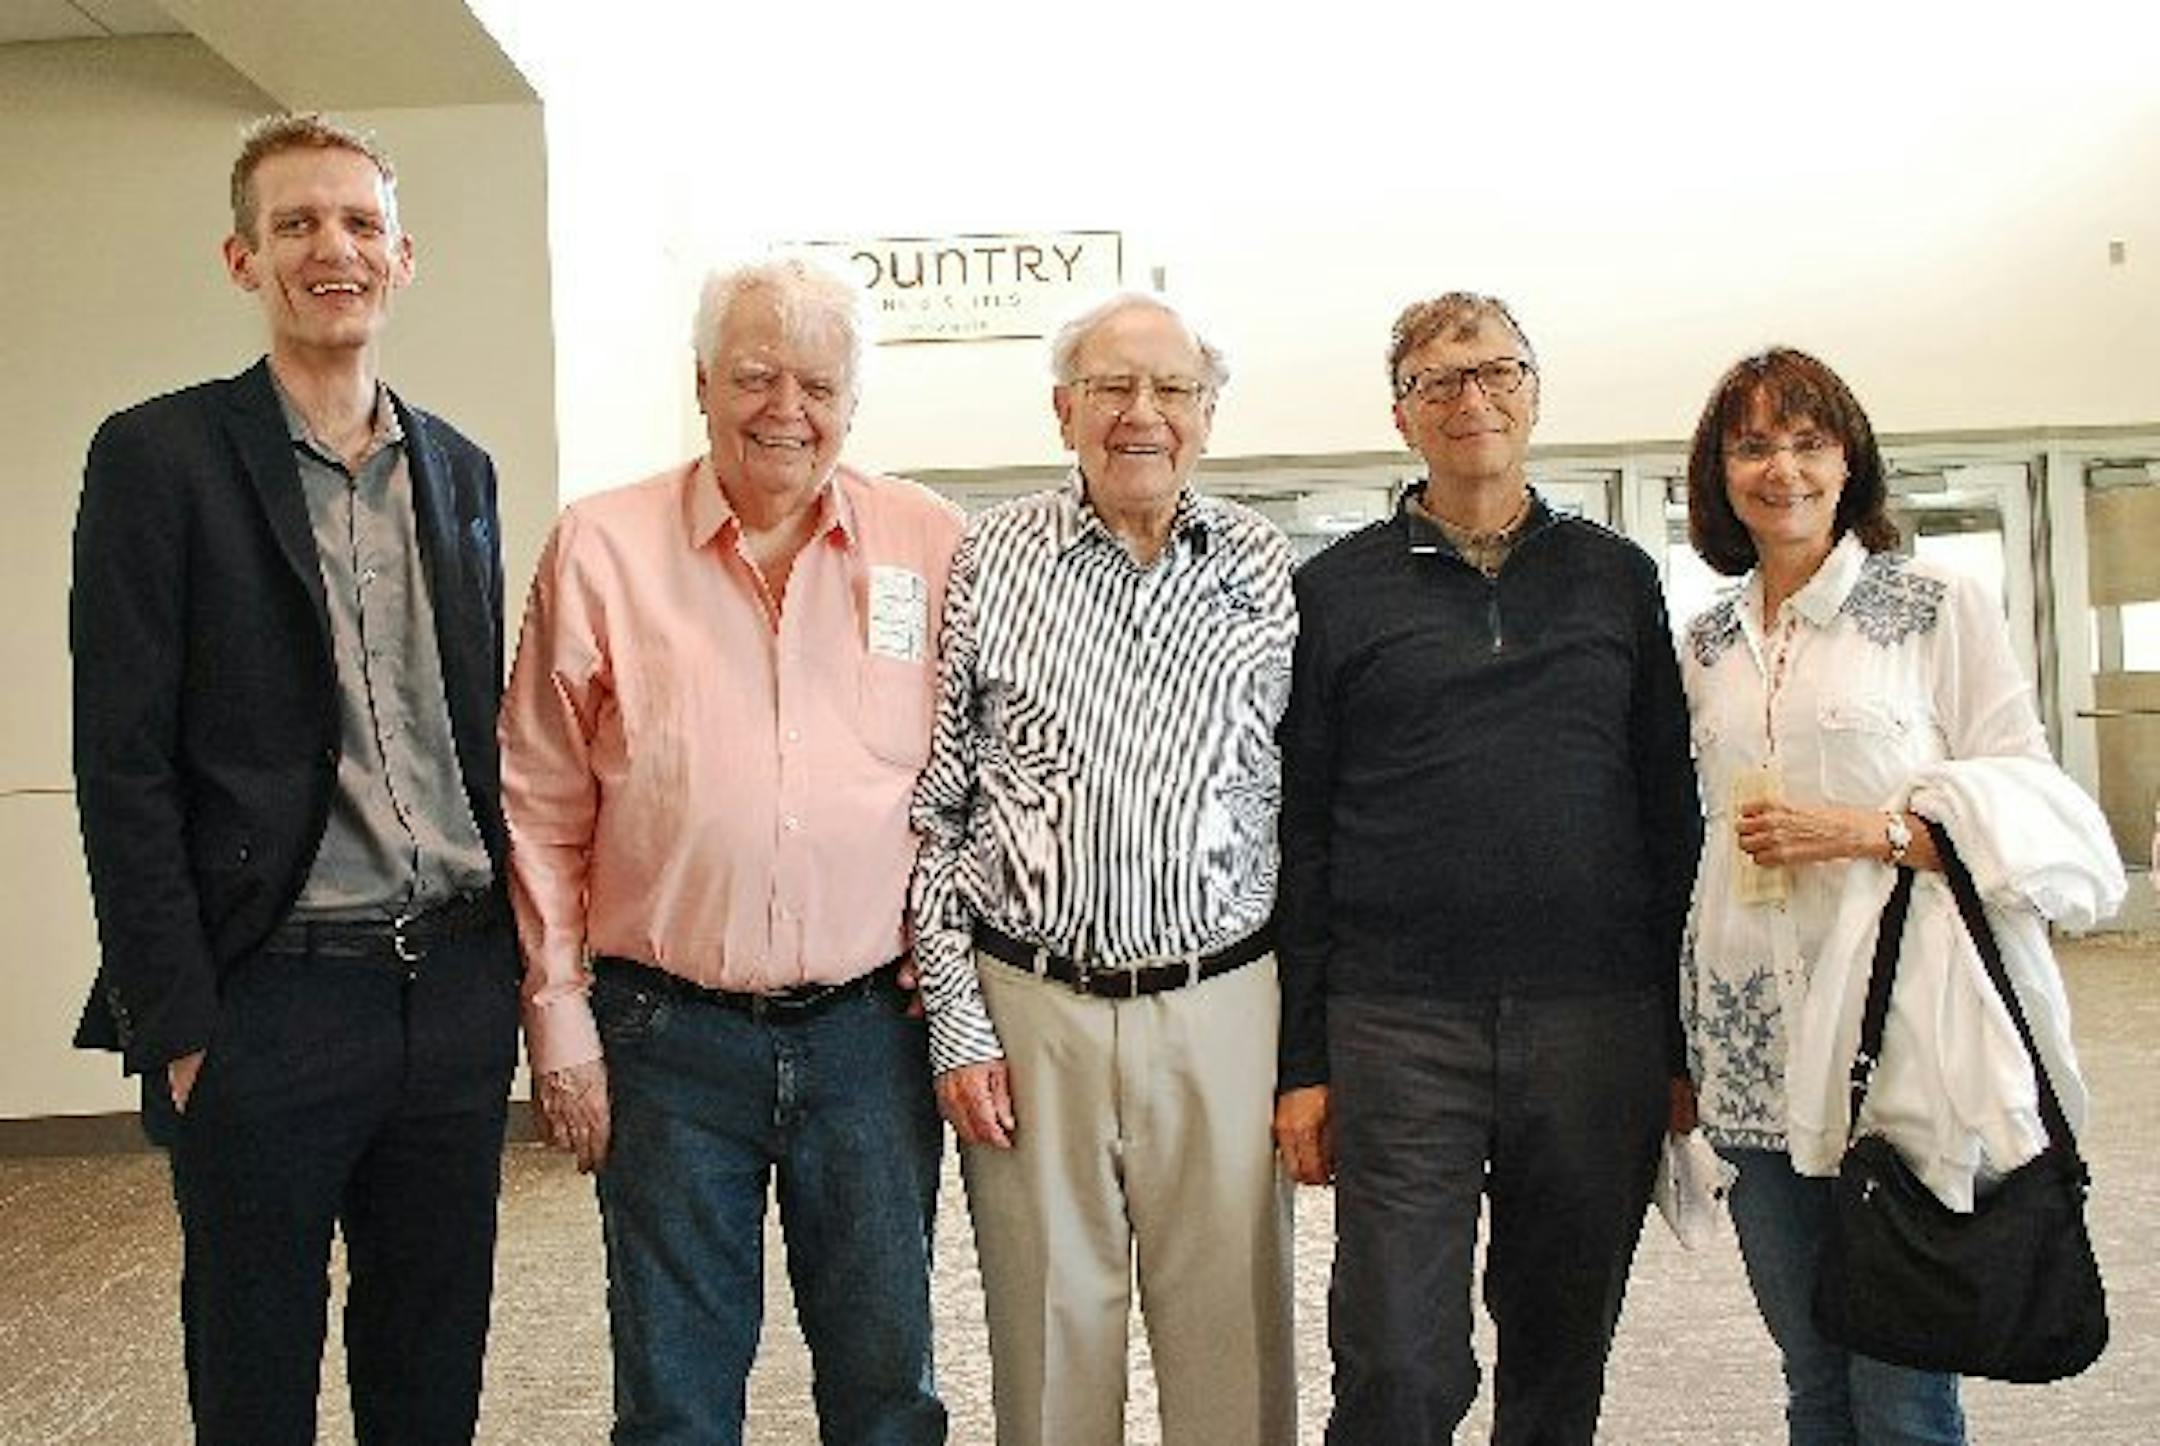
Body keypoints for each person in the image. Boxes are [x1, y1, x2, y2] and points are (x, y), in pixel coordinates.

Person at [69, 113, 519, 1442]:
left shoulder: (459, 469)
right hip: (269, 996)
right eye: (299, 224)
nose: (335, 248)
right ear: (242, 257)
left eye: (361, 224)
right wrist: (182, 1022)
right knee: (255, 1366)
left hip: (448, 987)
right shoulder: (159, 460)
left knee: (430, 1361)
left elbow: (474, 732)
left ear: (404, 257)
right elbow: (122, 761)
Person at [500, 257, 959, 1445]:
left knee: (886, 1393)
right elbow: (540, 801)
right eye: (755, 375)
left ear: (853, 398)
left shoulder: (930, 543)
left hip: (873, 1037)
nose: (785, 409)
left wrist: (955, 969)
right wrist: (558, 1020)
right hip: (666, 1038)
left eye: (817, 382)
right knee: (675, 1401)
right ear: (701, 382)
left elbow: (977, 782)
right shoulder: (600, 548)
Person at [1274, 291, 1702, 1445]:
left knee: (1561, 1352)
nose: (1475, 399)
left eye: (1498, 371)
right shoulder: (1335, 593)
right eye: (1441, 381)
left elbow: (1671, 812)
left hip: (1594, 1022)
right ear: (1403, 414)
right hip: (1400, 1024)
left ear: (1535, 390)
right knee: (1396, 1363)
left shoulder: (1619, 578)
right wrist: (1302, 1060)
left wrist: (1675, 1045)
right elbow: (1300, 833)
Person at [1675, 346, 2123, 1444]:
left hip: (1894, 1037)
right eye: (1752, 446)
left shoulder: (1932, 607)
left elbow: (2028, 796)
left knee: (1904, 1378)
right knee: (1812, 1372)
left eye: (1808, 442)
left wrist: (1871, 832)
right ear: (1719, 474)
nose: (1782, 469)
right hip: (1747, 1039)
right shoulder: (1702, 641)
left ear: (1849, 459)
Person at [911, 292, 1300, 1446]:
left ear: (1209, 415)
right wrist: (958, 1023)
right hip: (1032, 1010)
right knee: (1047, 1346)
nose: (1144, 415)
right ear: (1063, 410)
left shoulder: (1266, 568)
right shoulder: (989, 558)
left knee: (1233, 1344)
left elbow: (1301, 799)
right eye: (1114, 389)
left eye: (1172, 390)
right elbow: (938, 808)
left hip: (1222, 1001)